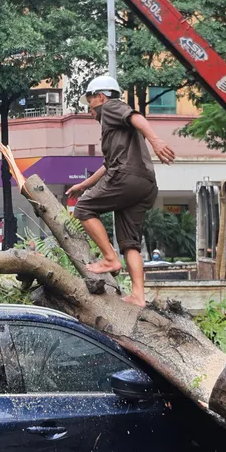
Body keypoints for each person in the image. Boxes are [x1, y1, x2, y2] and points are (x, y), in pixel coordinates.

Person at [67, 75, 176, 307]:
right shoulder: (118, 130)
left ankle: (109, 259)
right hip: (144, 185)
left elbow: (135, 116)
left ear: (100, 96)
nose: (90, 111)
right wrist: (84, 185)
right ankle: (138, 295)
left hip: (126, 177)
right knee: (130, 243)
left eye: (90, 104)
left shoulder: (110, 107)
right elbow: (107, 164)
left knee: (84, 208)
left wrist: (155, 141)